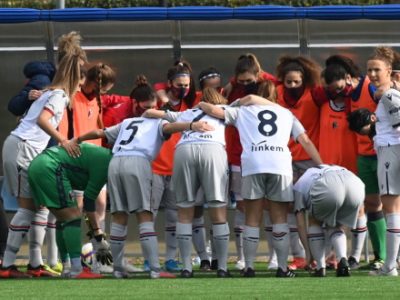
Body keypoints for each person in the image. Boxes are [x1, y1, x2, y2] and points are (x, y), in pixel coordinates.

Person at [75, 77, 213, 279]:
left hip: (116, 162)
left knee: (119, 216)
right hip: (138, 162)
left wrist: (76, 139)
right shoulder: (158, 122)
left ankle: (117, 269)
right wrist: (191, 125)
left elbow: (100, 132)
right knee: (144, 216)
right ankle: (156, 270)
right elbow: (169, 128)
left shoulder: (127, 122)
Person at [199, 90, 322, 278]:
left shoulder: (243, 111)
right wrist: (321, 166)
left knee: (252, 218)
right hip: (280, 165)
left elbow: (213, 111)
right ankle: (282, 268)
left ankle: (249, 267)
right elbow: (304, 140)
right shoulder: (286, 113)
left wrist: (202, 104)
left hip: (253, 164)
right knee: (279, 218)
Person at [0, 32, 84, 278]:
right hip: (23, 147)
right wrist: (64, 141)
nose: (81, 87)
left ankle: (35, 264)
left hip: (23, 146)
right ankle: (7, 266)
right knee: (27, 208)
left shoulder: (49, 91)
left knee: (39, 207)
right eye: (80, 82)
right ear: (74, 79)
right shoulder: (58, 95)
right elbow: (43, 119)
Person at [146, 87, 231, 278]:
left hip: (184, 150)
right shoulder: (225, 110)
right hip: (213, 149)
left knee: (184, 211)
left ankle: (186, 268)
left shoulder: (187, 112)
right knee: (218, 209)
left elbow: (150, 112)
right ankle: (223, 268)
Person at [347, 46, 400, 276]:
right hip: (388, 151)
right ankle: (390, 264)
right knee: (393, 211)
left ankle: (389, 266)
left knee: (391, 211)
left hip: (391, 153)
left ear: (389, 71)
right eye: (369, 70)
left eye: (377, 69)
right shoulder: (387, 95)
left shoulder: (389, 95)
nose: (373, 74)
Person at [224, 53, 277, 271]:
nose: (245, 85)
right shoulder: (232, 89)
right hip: (239, 155)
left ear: (258, 75)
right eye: (241, 80)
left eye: (249, 81)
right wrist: (232, 83)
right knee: (242, 206)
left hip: (266, 155)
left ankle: (275, 257)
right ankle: (242, 257)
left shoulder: (270, 86)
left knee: (270, 206)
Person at [28, 143, 112, 279]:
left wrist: (96, 233)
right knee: (72, 217)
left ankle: (67, 267)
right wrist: (98, 233)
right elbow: (89, 202)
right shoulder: (106, 164)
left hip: (39, 165)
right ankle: (77, 269)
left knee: (62, 219)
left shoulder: (105, 157)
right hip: (50, 167)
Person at [275, 55, 324, 270]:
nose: (293, 86)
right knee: (292, 210)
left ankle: (324, 255)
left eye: (297, 82)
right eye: (289, 82)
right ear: (282, 81)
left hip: (309, 160)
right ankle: (300, 256)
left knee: (315, 209)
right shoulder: (276, 94)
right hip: (284, 159)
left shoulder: (313, 93)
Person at [150, 61, 198, 272]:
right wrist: (163, 96)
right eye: (179, 84)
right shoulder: (159, 103)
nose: (183, 88)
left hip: (178, 168)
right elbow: (157, 85)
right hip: (155, 166)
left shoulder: (193, 102)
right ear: (170, 83)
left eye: (186, 84)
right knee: (148, 214)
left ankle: (171, 258)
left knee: (174, 216)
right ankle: (149, 258)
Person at [294, 165, 365, 277]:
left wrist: (308, 253)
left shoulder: (298, 186)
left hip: (328, 184)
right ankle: (342, 258)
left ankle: (320, 267)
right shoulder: (318, 169)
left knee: (314, 220)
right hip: (355, 182)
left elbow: (301, 224)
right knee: (335, 226)